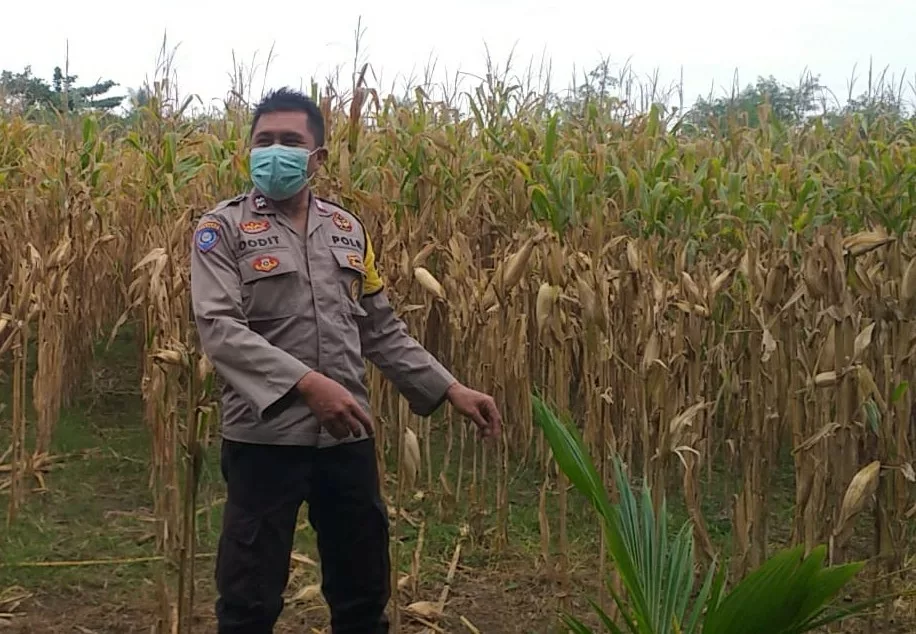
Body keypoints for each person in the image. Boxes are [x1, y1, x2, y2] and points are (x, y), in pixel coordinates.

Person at [189, 87, 502, 634]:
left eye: (290, 141)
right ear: (249, 151)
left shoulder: (348, 230)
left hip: (346, 439)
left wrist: (450, 388)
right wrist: (308, 384)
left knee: (362, 596)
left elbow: (378, 327)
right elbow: (220, 329)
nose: (275, 152)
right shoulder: (222, 230)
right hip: (264, 439)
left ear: (318, 157)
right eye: (264, 141)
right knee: (247, 601)